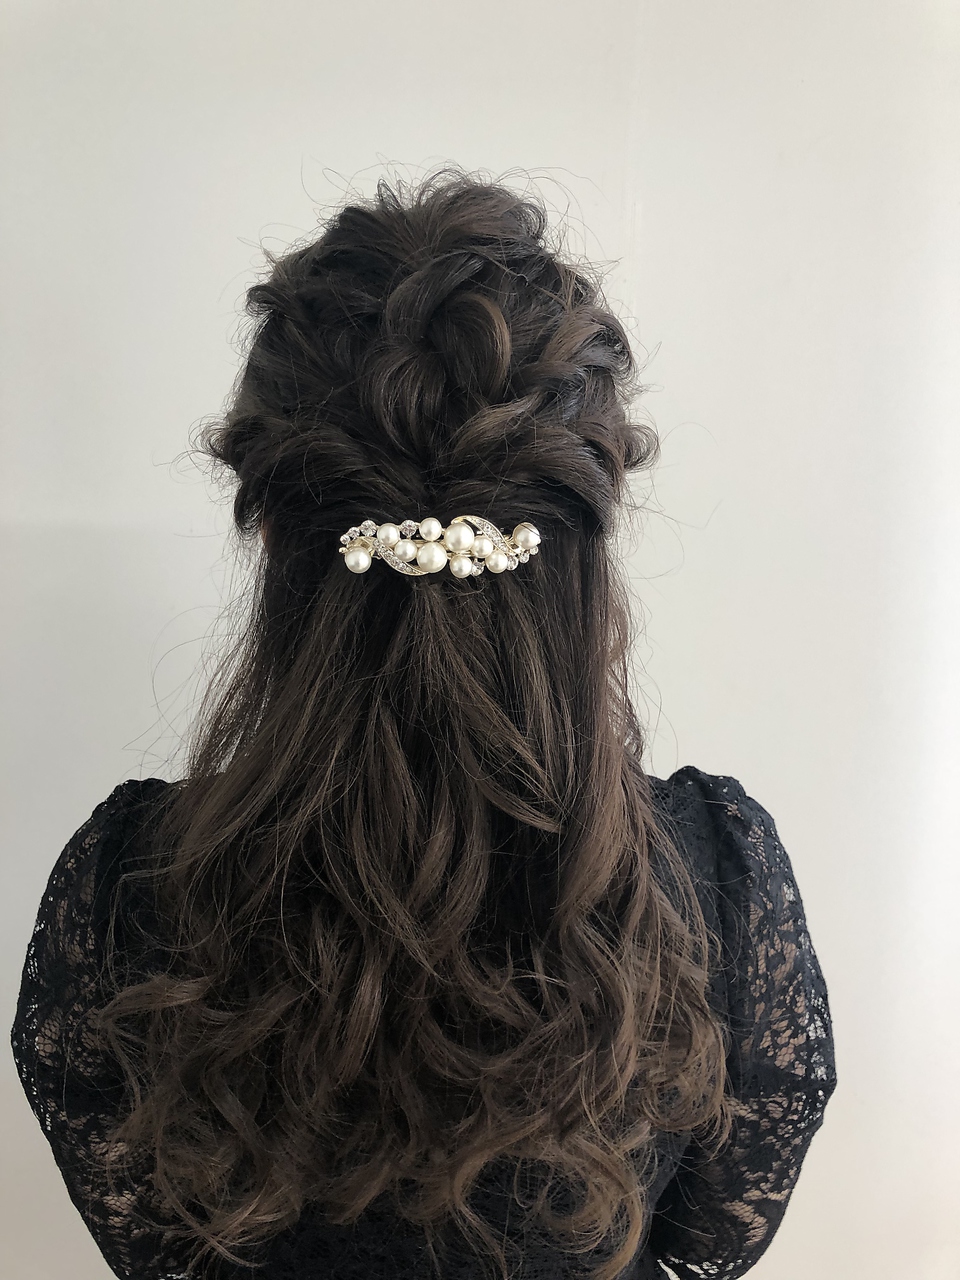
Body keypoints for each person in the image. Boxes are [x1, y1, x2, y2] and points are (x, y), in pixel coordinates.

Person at [10, 171, 836, 1280]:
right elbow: (711, 1240)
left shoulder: (123, 892)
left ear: (272, 532)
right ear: (586, 535)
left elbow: (157, 1249)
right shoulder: (720, 878)